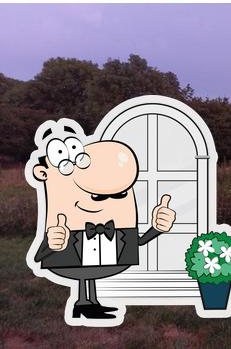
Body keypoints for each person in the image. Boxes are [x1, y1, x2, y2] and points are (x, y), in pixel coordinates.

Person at [27, 119, 176, 323]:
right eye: (97, 196)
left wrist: (157, 228)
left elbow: (137, 242)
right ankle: (83, 303)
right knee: (83, 272)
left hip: (101, 253)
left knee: (89, 273)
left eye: (119, 194)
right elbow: (38, 257)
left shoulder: (118, 228)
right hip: (73, 249)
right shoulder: (63, 225)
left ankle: (89, 303)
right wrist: (52, 244)